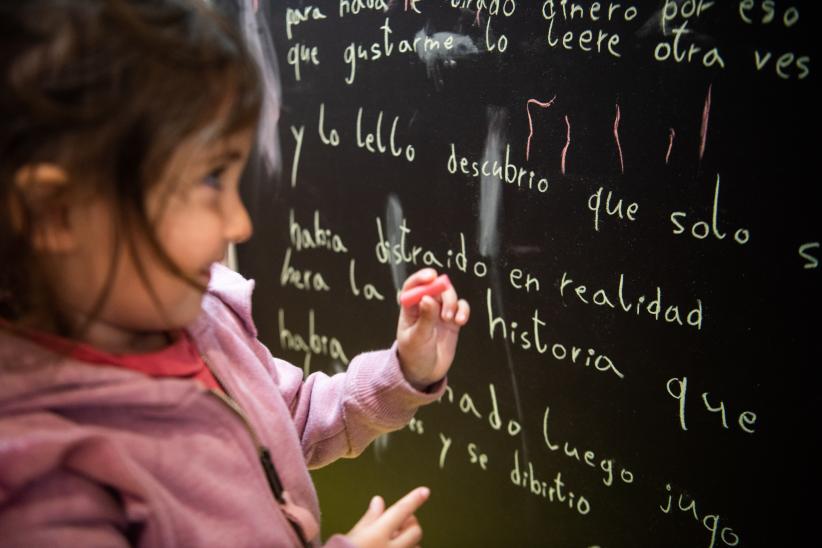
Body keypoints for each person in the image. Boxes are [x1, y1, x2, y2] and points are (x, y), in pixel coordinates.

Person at [0, 1, 470, 546]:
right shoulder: (46, 479)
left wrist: (403, 372)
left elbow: (288, 419)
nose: (241, 224)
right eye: (210, 180)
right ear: (57, 212)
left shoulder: (204, 319)